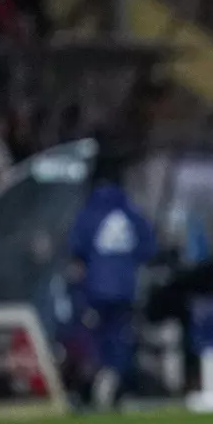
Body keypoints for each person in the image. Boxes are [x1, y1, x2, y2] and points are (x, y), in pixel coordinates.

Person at [66, 162, 157, 409]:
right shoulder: (132, 213)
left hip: (95, 288)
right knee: (120, 337)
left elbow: (76, 252)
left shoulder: (89, 212)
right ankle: (113, 379)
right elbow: (149, 249)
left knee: (93, 335)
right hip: (125, 288)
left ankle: (96, 377)